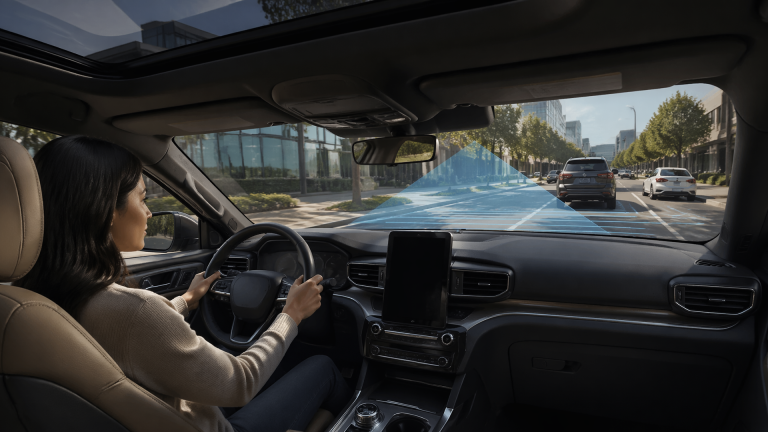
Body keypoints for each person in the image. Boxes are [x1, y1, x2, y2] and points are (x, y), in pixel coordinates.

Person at [14, 135, 351, 432]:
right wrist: (291, 314)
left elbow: (126, 337)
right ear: (104, 210)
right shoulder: (135, 311)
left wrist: (186, 300)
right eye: (143, 198)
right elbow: (242, 381)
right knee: (326, 368)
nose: (148, 213)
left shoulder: (28, 302)